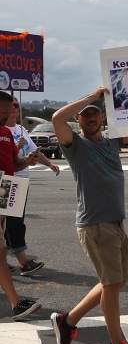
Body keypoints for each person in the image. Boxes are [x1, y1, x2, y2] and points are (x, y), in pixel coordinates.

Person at [50, 81, 128, 344]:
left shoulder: (112, 141)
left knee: (115, 282)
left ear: (103, 117)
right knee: (112, 285)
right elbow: (56, 119)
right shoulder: (74, 145)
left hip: (115, 222)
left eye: (95, 113)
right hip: (95, 224)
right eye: (85, 114)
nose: (90, 118)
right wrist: (91, 96)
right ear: (78, 119)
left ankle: (68, 321)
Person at [5, 97, 60, 275]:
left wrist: (49, 164)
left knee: (7, 222)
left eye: (16, 105)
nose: (14, 108)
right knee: (14, 221)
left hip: (21, 178)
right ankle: (23, 261)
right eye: (11, 105)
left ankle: (2, 261)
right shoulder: (3, 130)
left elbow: (34, 150)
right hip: (8, 179)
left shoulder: (21, 129)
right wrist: (15, 145)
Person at [0, 91, 42, 320]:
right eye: (5, 110)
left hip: (5, 188)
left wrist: (26, 161)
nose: (8, 114)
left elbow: (13, 163)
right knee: (0, 249)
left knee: (2, 242)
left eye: (11, 110)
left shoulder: (6, 133)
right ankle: (16, 304)